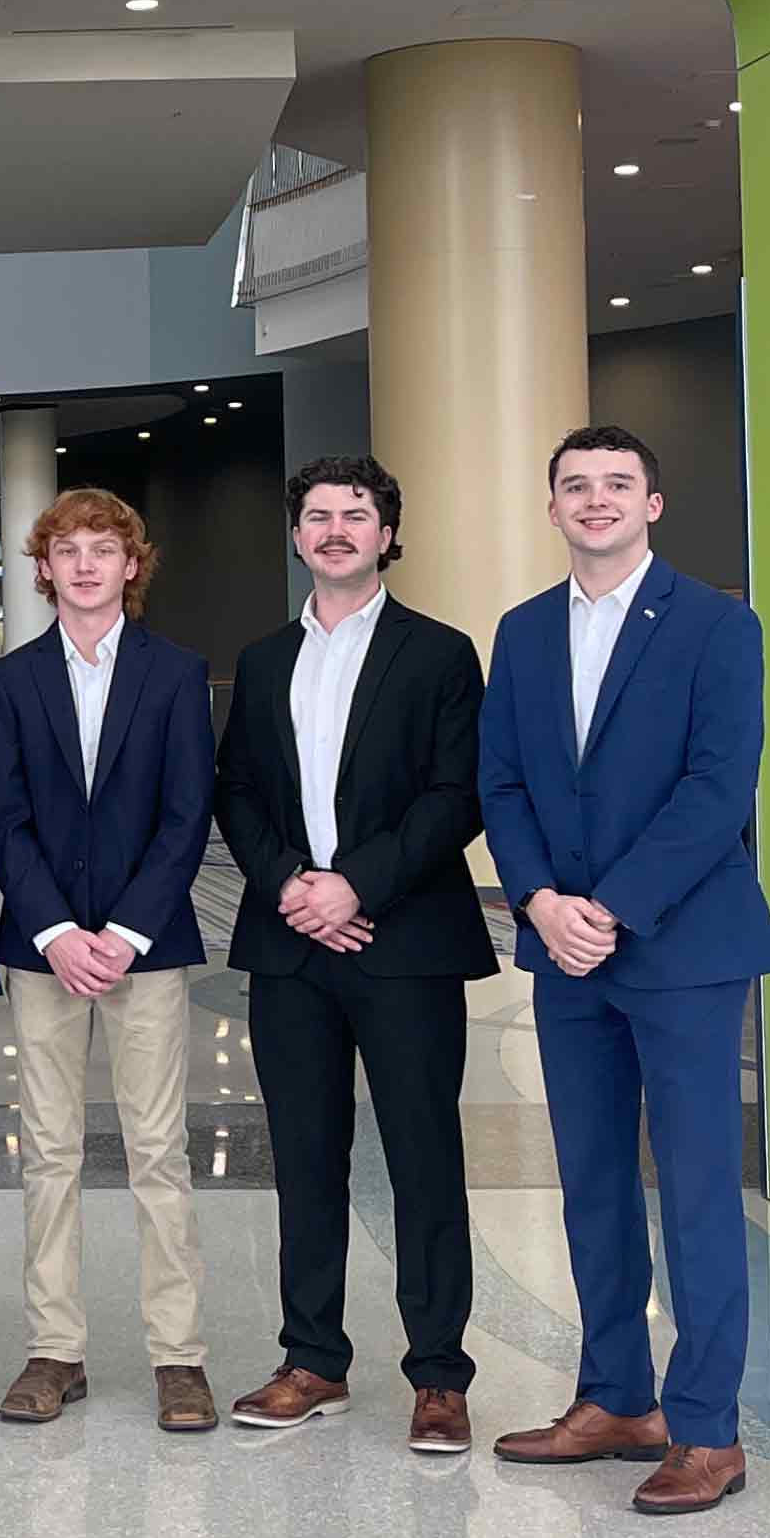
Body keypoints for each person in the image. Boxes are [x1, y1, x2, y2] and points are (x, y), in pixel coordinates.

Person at [479, 425, 770, 1517]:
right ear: (551, 507)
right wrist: (544, 903)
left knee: (697, 1192)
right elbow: (502, 783)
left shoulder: (716, 624)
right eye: (575, 486)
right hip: (566, 951)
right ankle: (616, 1397)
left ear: (653, 503)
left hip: (684, 946)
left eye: (617, 484)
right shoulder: (521, 634)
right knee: (593, 1182)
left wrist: (609, 906)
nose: (595, 500)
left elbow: (718, 787)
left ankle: (706, 1429)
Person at [214, 456, 495, 1453]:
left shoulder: (441, 653)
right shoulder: (259, 660)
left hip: (406, 941)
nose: (336, 528)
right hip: (291, 948)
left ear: (386, 534)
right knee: (303, 1159)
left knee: (424, 1156)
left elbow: (455, 795)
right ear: (298, 536)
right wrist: (294, 884)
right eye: (319, 515)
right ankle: (313, 1358)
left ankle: (438, 1375)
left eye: (356, 514)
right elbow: (235, 791)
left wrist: (356, 885)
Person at [0, 487, 218, 1432]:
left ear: (133, 564)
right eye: (67, 550)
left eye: (104, 549)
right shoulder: (8, 680)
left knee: (160, 1152)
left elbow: (185, 816)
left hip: (146, 950)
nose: (85, 565)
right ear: (44, 568)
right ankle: (56, 1351)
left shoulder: (177, 673)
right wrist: (54, 932)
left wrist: (120, 934)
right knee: (48, 1152)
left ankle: (179, 1357)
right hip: (44, 953)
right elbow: (6, 819)